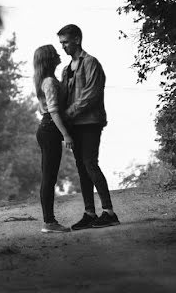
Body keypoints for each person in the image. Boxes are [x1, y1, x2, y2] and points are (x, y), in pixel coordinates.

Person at [57, 24, 120, 229]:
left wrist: (67, 114)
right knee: (82, 168)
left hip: (91, 122)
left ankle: (109, 212)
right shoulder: (66, 69)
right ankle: (89, 213)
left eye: (65, 42)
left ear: (76, 39)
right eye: (61, 43)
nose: (63, 47)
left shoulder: (92, 63)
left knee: (90, 163)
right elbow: (63, 97)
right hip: (74, 125)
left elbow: (91, 96)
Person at [32, 44, 74, 233]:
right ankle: (49, 222)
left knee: (50, 176)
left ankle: (49, 221)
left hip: (48, 129)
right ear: (49, 59)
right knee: (48, 177)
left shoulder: (49, 80)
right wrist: (65, 134)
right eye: (55, 53)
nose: (59, 54)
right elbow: (54, 111)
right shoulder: (49, 81)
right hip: (50, 129)